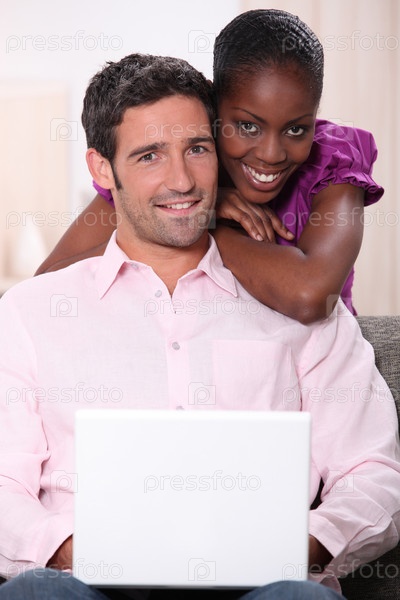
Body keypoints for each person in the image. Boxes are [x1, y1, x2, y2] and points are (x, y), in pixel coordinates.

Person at [0, 53, 398, 600]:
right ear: (102, 170)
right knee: (38, 593)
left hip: (261, 587)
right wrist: (73, 550)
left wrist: (296, 546)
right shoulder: (30, 313)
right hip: (87, 586)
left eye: (197, 149)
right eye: (149, 156)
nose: (182, 180)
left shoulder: (300, 311)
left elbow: (372, 471)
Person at [34, 9, 383, 324]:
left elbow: (309, 295)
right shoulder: (180, 166)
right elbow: (47, 284)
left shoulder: (333, 161)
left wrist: (198, 226)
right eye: (248, 126)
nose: (272, 154)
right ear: (214, 107)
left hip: (318, 360)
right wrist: (194, 211)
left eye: (296, 129)